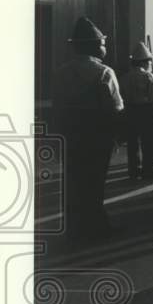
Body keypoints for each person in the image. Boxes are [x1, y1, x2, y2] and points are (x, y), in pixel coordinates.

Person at [51, 16, 125, 239]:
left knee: (74, 181)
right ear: (94, 45)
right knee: (95, 182)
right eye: (102, 43)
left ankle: (74, 228)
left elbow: (57, 108)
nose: (105, 46)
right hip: (97, 136)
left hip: (71, 135)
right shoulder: (104, 72)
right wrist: (116, 136)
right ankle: (97, 227)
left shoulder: (61, 72)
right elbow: (116, 107)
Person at [120, 40, 153, 180]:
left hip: (130, 110)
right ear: (145, 61)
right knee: (147, 142)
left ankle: (133, 170)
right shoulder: (148, 76)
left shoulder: (125, 77)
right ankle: (147, 170)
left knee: (132, 143)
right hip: (146, 111)